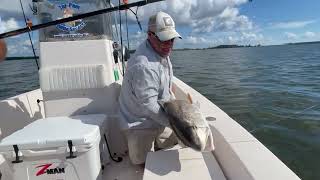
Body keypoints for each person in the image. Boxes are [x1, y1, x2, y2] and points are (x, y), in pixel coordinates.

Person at [119, 11, 181, 165]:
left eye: (171, 39)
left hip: (158, 116)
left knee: (171, 146)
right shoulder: (144, 66)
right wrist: (177, 124)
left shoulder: (161, 52)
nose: (168, 44)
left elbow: (166, 88)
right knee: (143, 164)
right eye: (164, 39)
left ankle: (161, 146)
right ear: (150, 35)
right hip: (139, 122)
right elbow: (149, 106)